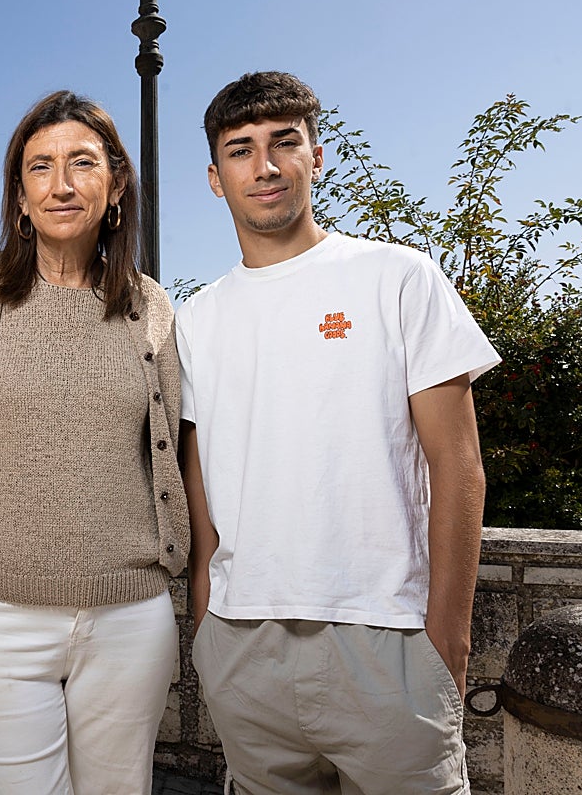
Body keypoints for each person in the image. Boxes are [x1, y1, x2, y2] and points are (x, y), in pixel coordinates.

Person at [177, 70, 501, 795]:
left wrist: (447, 639)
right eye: (240, 149)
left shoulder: (398, 277)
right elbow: (200, 482)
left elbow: (459, 466)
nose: (264, 166)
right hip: (241, 645)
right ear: (214, 176)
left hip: (386, 640)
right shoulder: (195, 320)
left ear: (316, 158)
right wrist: (205, 623)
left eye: (284, 143)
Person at [0, 90, 189, 795]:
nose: (61, 183)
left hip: (130, 617)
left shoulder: (151, 306)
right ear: (19, 198)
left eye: (82, 162)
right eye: (39, 167)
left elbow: (174, 449)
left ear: (114, 187)